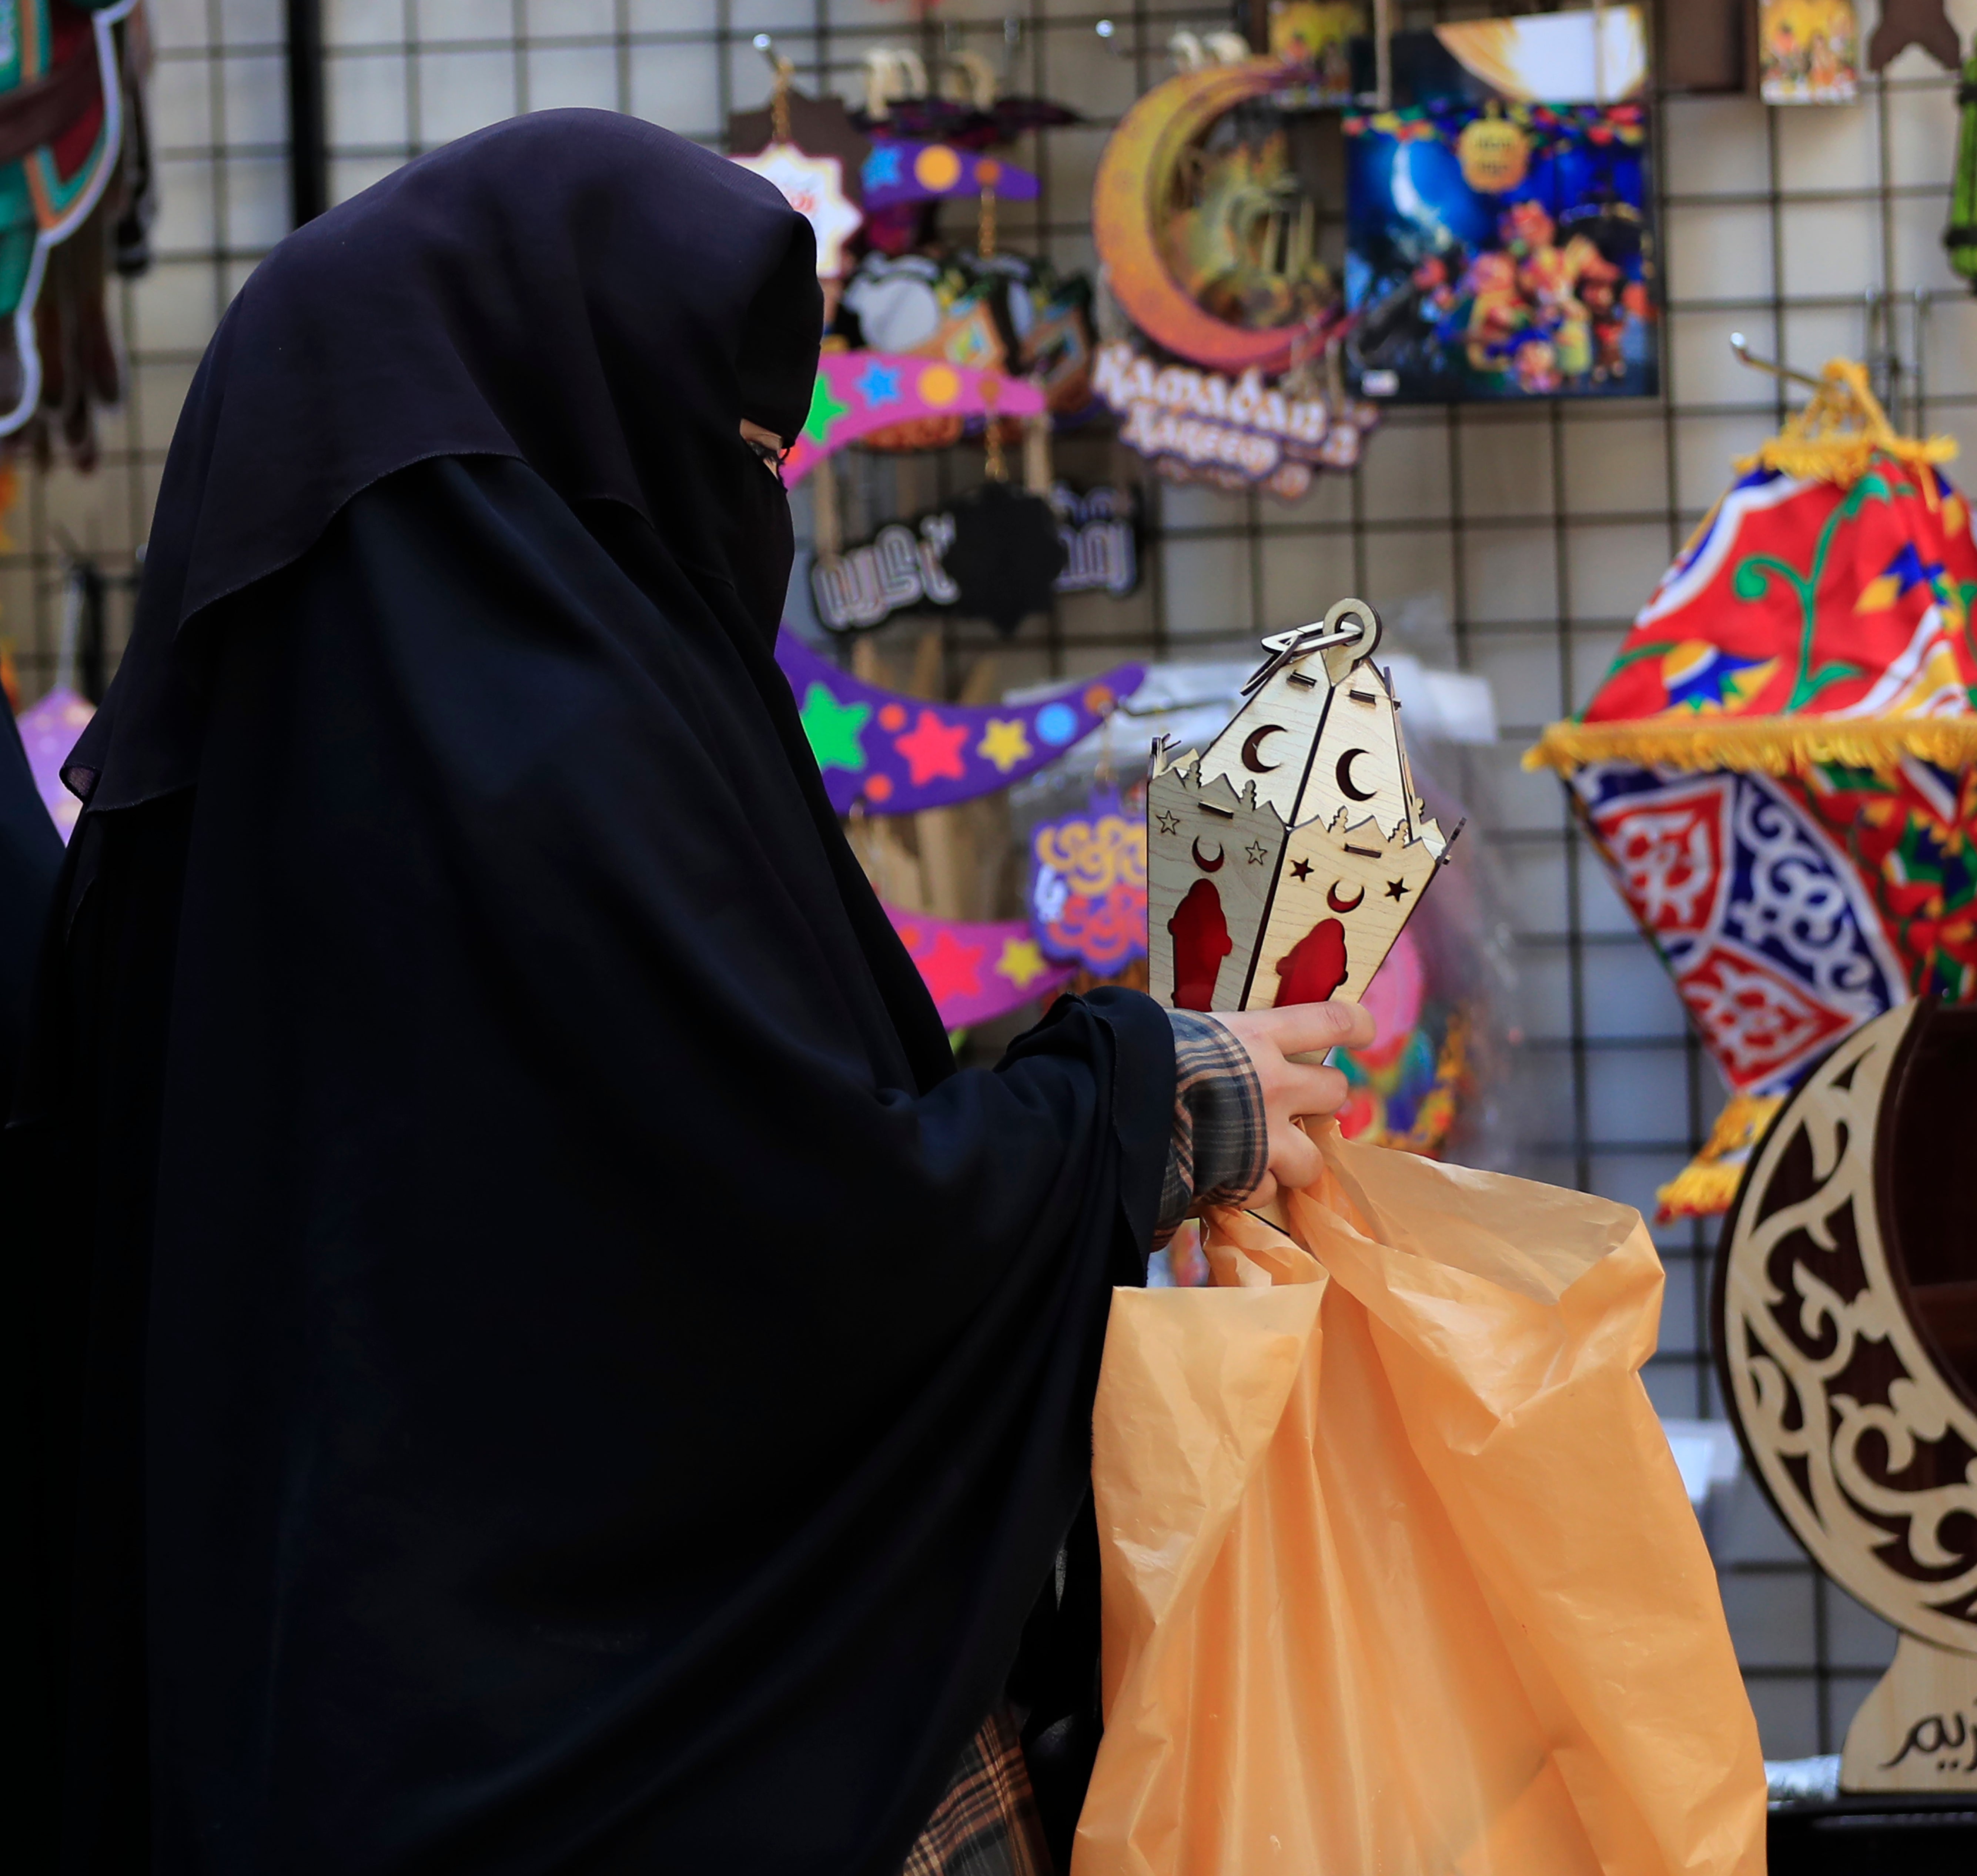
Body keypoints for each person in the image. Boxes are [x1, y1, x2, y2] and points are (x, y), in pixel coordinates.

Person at [6, 111, 1364, 1876]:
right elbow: (788, 1238)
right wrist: (1146, 1094)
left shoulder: (204, 824)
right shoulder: (559, 762)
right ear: (571, 418)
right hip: (705, 1774)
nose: (750, 497)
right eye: (718, 437)